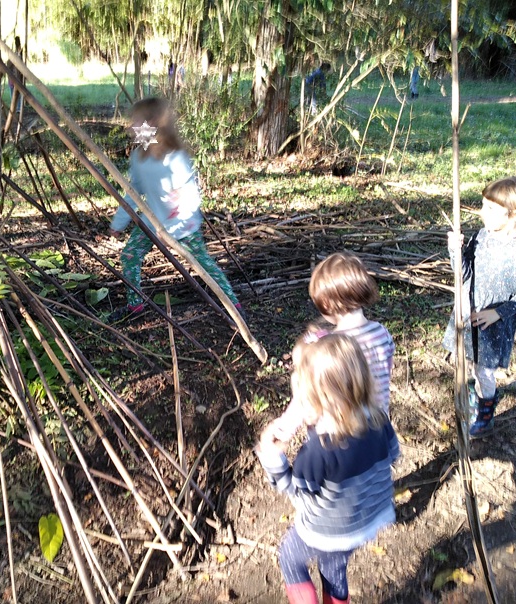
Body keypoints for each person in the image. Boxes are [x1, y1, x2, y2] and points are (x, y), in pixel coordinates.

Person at [256, 333, 399, 604]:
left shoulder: (319, 450)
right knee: (334, 568)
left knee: (290, 558)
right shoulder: (379, 419)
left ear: (321, 398)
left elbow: (296, 492)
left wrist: (271, 455)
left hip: (325, 529)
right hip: (364, 521)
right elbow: (393, 454)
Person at [108, 97, 243, 322]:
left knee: (202, 263)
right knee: (129, 256)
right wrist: (118, 223)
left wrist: (176, 226)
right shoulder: (138, 157)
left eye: (136, 121)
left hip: (182, 223)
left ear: (152, 123)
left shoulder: (175, 158)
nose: (131, 127)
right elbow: (133, 192)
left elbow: (191, 196)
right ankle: (135, 306)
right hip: (152, 220)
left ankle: (233, 305)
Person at [443, 176, 516, 438]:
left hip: (494, 324)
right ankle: (473, 395)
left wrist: (497, 313)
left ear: (514, 215)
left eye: (490, 208)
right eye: (482, 205)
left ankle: (485, 409)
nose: (482, 213)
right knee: (466, 358)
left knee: (484, 370)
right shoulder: (481, 237)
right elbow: (464, 274)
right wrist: (455, 252)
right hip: (469, 312)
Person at [305, 252, 395, 418]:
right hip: (382, 425)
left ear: (325, 302)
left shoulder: (332, 347)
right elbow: (387, 370)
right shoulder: (382, 332)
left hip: (350, 431)